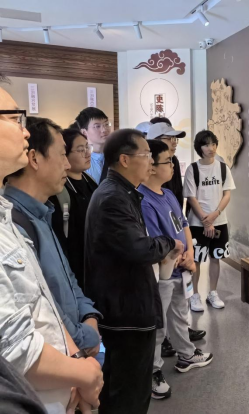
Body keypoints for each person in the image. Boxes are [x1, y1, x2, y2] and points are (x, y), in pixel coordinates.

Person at [0, 74, 103, 413]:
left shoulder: (23, 214)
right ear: (35, 159)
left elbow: (51, 294)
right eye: (13, 119)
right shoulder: (18, 218)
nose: (24, 131)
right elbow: (14, 344)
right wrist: (83, 369)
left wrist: (81, 343)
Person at [84, 128, 184, 414]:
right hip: (125, 309)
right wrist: (169, 243)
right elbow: (139, 248)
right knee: (129, 390)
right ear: (125, 160)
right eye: (146, 155)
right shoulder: (113, 197)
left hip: (127, 304)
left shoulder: (121, 192)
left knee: (124, 383)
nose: (151, 161)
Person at [3, 117, 102, 357]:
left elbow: (67, 277)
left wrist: (89, 315)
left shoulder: (43, 212)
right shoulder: (13, 222)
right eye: (62, 155)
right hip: (62, 354)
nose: (67, 165)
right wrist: (83, 338)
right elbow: (41, 305)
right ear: (34, 158)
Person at [139, 140, 213, 400]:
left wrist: (190, 254)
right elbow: (156, 241)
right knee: (158, 326)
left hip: (181, 269)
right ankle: (153, 371)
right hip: (163, 273)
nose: (173, 166)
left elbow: (184, 225)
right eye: (168, 161)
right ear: (151, 166)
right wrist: (183, 258)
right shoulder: (143, 201)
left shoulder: (168, 194)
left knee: (180, 316)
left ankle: (186, 354)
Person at [184, 130, 235, 311]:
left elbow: (227, 194)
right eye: (206, 144)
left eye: (213, 144)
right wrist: (206, 221)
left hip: (219, 221)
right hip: (197, 223)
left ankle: (212, 292)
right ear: (199, 147)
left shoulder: (223, 168)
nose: (211, 148)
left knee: (216, 258)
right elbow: (191, 198)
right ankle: (194, 295)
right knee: (196, 260)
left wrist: (215, 215)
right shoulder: (192, 169)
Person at [49, 129, 98, 288]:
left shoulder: (91, 181)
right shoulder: (59, 191)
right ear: (65, 155)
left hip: (97, 262)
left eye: (87, 147)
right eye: (80, 149)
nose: (87, 153)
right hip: (75, 266)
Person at [148, 118, 186, 208]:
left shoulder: (174, 160)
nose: (174, 143)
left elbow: (178, 191)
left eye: (175, 139)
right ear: (155, 140)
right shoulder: (144, 163)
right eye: (169, 139)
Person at [72, 108, 111, 183]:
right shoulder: (81, 161)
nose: (104, 130)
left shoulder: (117, 156)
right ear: (84, 132)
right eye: (97, 126)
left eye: (106, 124)